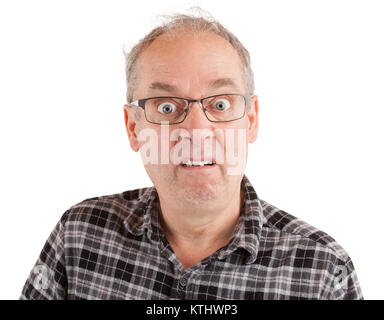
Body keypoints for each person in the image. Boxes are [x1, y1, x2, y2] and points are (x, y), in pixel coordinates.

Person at [20, 10, 363, 300]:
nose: (197, 131)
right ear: (132, 127)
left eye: (220, 104)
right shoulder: (79, 235)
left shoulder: (321, 268)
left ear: (251, 121)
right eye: (166, 107)